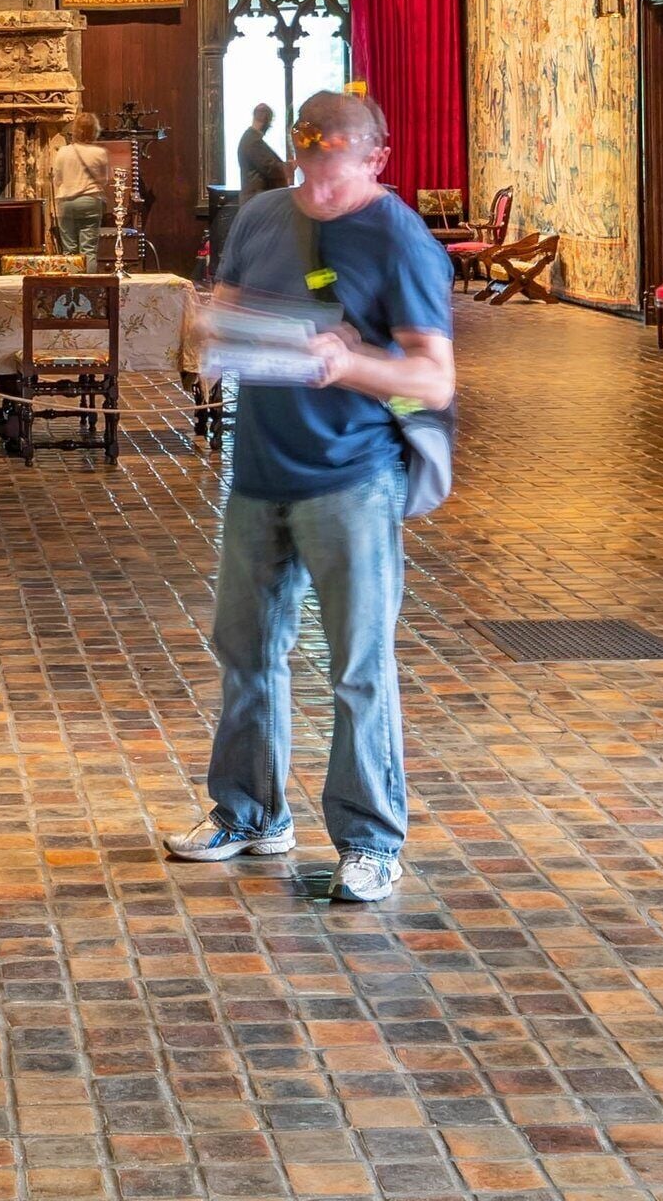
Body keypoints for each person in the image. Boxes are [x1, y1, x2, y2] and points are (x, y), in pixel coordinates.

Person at [168, 90, 453, 906]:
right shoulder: (259, 218)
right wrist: (214, 341)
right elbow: (225, 312)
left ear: (376, 160)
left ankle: (370, 842)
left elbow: (432, 378)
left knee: (358, 668)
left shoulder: (400, 239)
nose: (317, 184)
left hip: (353, 480)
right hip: (258, 473)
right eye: (306, 164)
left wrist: (351, 365)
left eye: (334, 168)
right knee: (246, 653)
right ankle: (252, 813)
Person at [48, 110, 113, 264]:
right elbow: (104, 180)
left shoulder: (63, 152)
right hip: (90, 201)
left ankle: (70, 287)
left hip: (66, 202)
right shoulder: (100, 153)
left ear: (75, 130)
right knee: (88, 250)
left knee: (69, 250)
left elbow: (57, 180)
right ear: (95, 130)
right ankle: (88, 287)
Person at [235, 102, 291, 200]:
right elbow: (270, 168)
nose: (269, 126)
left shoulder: (250, 139)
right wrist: (289, 167)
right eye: (270, 122)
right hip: (257, 200)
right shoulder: (253, 142)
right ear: (265, 120)